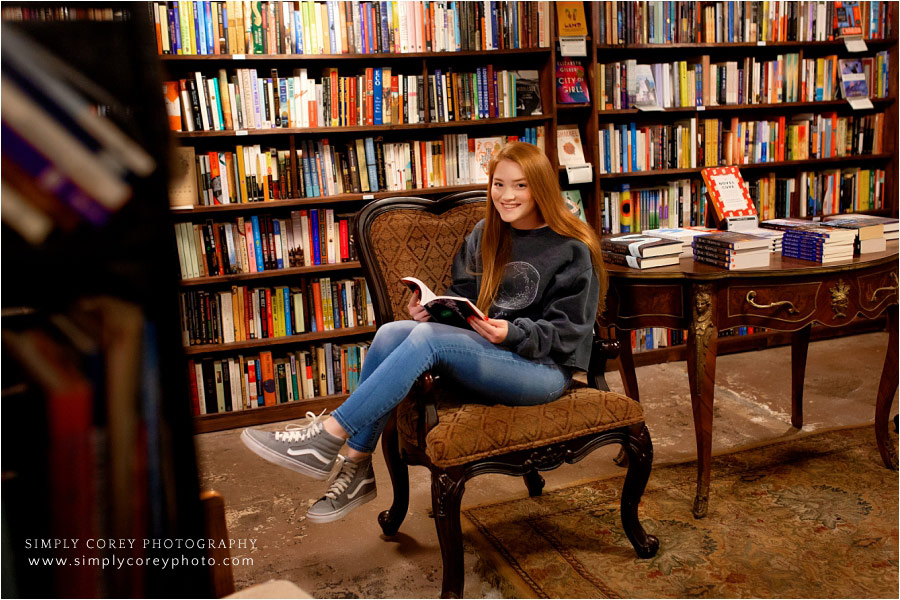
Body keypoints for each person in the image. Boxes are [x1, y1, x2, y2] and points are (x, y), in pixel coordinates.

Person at [241, 141, 608, 524]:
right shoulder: (485, 233)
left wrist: (511, 334)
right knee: (390, 333)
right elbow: (465, 303)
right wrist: (432, 312)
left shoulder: (572, 248)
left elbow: (568, 332)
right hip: (493, 354)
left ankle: (327, 435)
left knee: (426, 341)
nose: (507, 195)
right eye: (499, 184)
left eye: (520, 186)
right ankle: (356, 464)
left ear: (541, 188)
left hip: (543, 372)